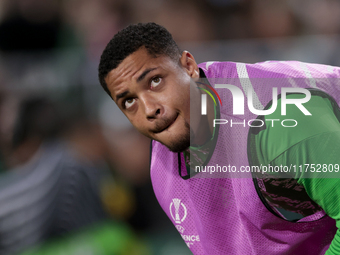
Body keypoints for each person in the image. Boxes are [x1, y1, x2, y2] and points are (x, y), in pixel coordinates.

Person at [98, 22, 340, 254]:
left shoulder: (282, 123)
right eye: (129, 101)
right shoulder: (162, 163)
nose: (149, 109)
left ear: (189, 67)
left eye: (155, 81)